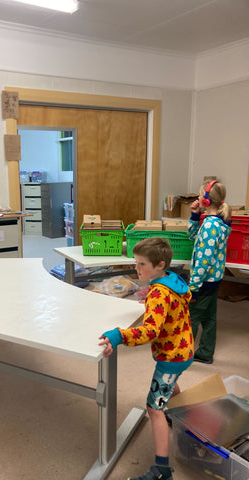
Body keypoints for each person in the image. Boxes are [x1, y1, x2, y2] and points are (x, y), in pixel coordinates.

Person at [99, 237, 193, 480]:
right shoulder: (172, 281)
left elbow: (150, 332)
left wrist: (119, 335)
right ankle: (187, 424)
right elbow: (174, 303)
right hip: (184, 349)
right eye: (136, 262)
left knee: (154, 409)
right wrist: (153, 301)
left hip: (172, 356)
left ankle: (162, 470)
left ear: (160, 264)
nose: (136, 269)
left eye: (142, 264)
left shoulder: (159, 293)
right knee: (170, 385)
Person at [188, 180, 232, 364]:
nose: (197, 197)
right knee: (209, 317)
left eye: (200, 195)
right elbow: (192, 236)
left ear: (206, 200)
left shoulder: (210, 227)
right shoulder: (217, 222)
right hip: (213, 280)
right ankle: (205, 352)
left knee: (190, 318)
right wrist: (194, 215)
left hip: (203, 283)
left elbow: (203, 263)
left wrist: (194, 287)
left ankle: (182, 354)